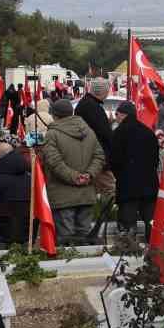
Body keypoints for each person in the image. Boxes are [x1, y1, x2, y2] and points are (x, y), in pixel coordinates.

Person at [42, 97, 104, 245]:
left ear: (54, 115)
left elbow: (54, 162)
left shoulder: (52, 134)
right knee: (84, 239)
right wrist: (88, 175)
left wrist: (75, 177)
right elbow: (99, 156)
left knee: (65, 241)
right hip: (86, 193)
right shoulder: (89, 131)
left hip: (63, 196)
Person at [108, 101, 161, 240]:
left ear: (123, 114)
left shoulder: (118, 133)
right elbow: (156, 159)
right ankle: (153, 253)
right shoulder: (148, 132)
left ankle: (127, 255)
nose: (116, 117)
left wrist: (120, 176)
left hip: (128, 187)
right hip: (149, 185)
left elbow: (113, 160)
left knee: (128, 226)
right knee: (151, 223)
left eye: (117, 114)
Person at [75, 78, 115, 157]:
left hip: (85, 149)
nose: (108, 94)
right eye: (108, 92)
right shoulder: (93, 107)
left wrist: (108, 122)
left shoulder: (85, 102)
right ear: (103, 92)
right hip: (94, 153)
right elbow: (104, 133)